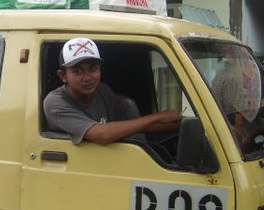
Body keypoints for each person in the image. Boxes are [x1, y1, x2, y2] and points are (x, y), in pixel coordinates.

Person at [43, 37, 182, 145]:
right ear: (63, 76)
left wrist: (178, 124)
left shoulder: (102, 91)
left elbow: (133, 126)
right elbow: (102, 134)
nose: (87, 78)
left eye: (93, 69)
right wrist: (158, 117)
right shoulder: (55, 102)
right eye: (78, 71)